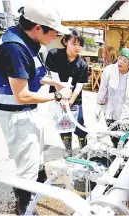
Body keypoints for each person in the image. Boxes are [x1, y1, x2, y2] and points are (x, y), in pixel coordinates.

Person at [0, 3, 71, 214]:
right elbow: (22, 95)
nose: (55, 36)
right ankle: (25, 205)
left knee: (37, 151)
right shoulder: (15, 49)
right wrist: (59, 95)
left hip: (26, 111)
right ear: (37, 27)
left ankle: (41, 185)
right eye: (53, 31)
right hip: (16, 113)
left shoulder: (26, 41)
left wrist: (55, 83)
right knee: (27, 161)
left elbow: (32, 73)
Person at [45, 29, 88, 158]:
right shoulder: (54, 54)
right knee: (63, 123)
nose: (77, 47)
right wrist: (62, 99)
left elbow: (79, 85)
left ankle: (84, 149)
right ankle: (68, 148)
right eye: (74, 43)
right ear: (65, 41)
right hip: (58, 96)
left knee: (79, 124)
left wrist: (70, 100)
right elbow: (55, 78)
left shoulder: (82, 64)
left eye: (80, 44)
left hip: (75, 99)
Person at [95, 48, 129, 146]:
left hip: (124, 113)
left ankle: (121, 155)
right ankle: (116, 151)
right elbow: (102, 89)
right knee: (113, 136)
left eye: (125, 61)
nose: (120, 62)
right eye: (120, 58)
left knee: (124, 137)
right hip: (110, 110)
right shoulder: (109, 70)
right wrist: (98, 106)